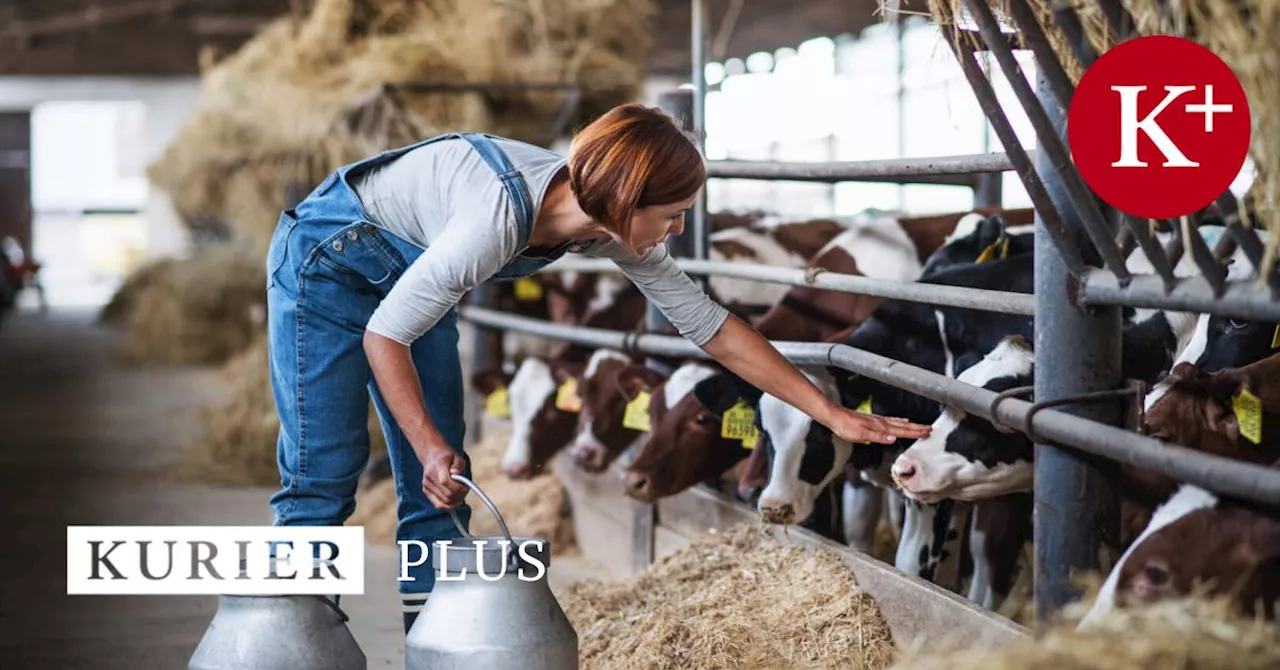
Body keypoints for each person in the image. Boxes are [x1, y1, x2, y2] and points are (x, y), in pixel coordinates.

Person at [264, 102, 931, 633]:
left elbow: (716, 331)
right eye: (671, 216)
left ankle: (438, 647)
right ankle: (293, 640)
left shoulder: (608, 221)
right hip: (330, 260)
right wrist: (427, 442)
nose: (673, 232)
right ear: (627, 197)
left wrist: (832, 412)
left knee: (441, 489)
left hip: (415, 272)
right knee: (326, 468)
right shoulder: (496, 219)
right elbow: (385, 337)